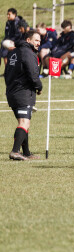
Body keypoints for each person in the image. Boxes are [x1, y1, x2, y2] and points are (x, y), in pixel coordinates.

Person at [4, 29, 42, 160]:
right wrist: (39, 86)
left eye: (39, 41)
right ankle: (15, 151)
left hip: (12, 92)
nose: (38, 43)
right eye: (36, 40)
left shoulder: (13, 52)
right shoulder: (28, 53)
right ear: (28, 40)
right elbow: (33, 74)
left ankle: (26, 153)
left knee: (24, 122)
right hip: (23, 93)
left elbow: (6, 73)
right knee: (24, 122)